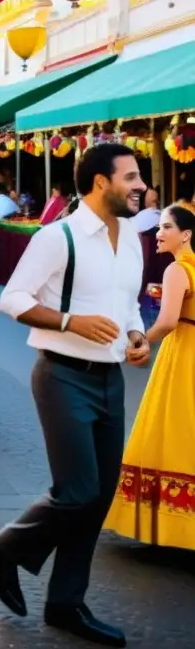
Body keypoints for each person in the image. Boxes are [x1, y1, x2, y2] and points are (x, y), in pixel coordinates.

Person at [0, 143, 148, 648]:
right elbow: (11, 298)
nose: (141, 185)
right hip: (62, 376)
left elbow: (127, 303)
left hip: (110, 378)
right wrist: (72, 321)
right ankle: (2, 549)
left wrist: (135, 335)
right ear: (100, 182)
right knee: (76, 491)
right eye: (132, 176)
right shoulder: (59, 236)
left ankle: (65, 602)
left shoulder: (132, 237)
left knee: (97, 497)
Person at [104, 204, 195, 550]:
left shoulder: (177, 269)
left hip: (183, 352)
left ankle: (169, 520)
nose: (158, 233)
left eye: (166, 227)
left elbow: (169, 320)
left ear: (185, 235)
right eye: (159, 227)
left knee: (172, 427)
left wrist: (142, 342)